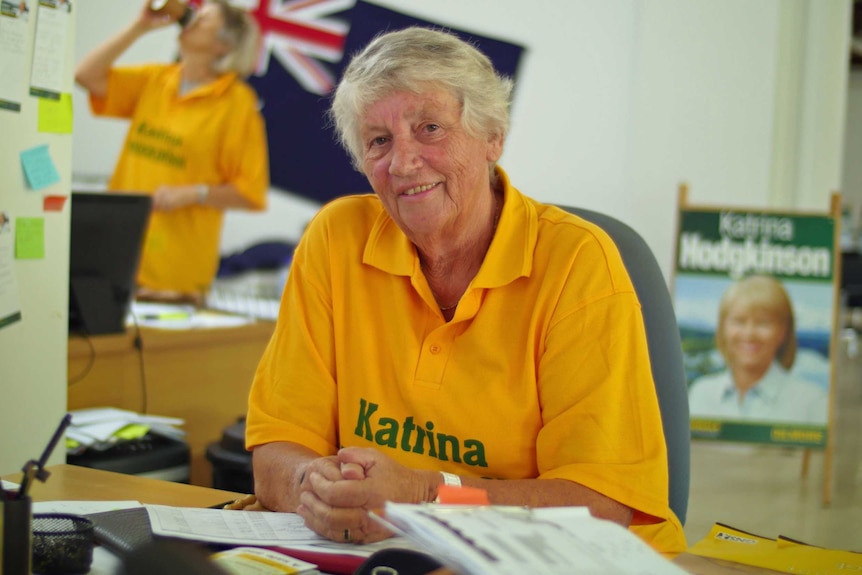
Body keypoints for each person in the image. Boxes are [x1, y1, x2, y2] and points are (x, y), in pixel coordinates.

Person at [245, 27, 686, 555]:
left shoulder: (577, 262)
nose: (404, 163)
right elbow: (276, 451)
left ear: (493, 137)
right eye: (379, 141)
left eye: (429, 128)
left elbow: (601, 506)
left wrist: (423, 496)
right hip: (377, 556)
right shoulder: (335, 238)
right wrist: (316, 492)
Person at [74, 0, 269, 298]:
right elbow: (86, 75)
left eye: (204, 18)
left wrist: (196, 193)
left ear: (223, 44)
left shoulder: (236, 104)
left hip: (174, 273)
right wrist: (139, 27)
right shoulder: (157, 79)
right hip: (116, 254)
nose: (193, 18)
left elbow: (251, 193)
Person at [688, 274, 828, 425]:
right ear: (723, 329)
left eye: (763, 323)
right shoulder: (700, 393)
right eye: (739, 321)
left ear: (783, 332)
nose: (749, 334)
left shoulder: (812, 402)